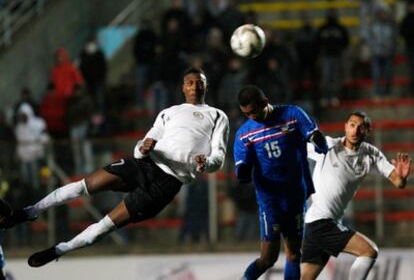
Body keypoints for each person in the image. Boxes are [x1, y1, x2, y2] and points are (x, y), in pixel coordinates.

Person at [0, 67, 230, 268]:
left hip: (166, 184)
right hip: (145, 165)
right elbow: (139, 149)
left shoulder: (217, 116)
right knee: (85, 185)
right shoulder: (168, 112)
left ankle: (59, 250)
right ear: (183, 87)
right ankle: (30, 211)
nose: (195, 86)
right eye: (190, 82)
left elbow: (218, 157)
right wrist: (143, 147)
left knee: (104, 227)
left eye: (200, 82)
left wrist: (206, 163)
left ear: (206, 86)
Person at [301, 111, 412, 280]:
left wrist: (403, 178)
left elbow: (398, 182)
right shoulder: (328, 146)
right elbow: (296, 147)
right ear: (345, 126)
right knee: (369, 251)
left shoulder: (371, 154)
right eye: (352, 125)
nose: (355, 131)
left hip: (321, 224)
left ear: (368, 131)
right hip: (320, 223)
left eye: (361, 127)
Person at [233, 85, 328, 280]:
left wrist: (318, 140)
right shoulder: (245, 133)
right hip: (270, 200)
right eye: (246, 114)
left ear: (265, 102)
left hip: (296, 194)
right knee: (268, 259)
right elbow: (242, 167)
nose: (251, 117)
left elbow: (317, 138)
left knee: (294, 253)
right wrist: (242, 172)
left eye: (254, 111)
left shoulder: (293, 115)